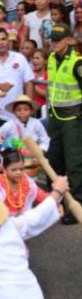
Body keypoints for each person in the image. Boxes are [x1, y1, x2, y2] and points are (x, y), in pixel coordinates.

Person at [44, 23, 82, 224]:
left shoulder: (77, 63)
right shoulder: (51, 58)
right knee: (53, 161)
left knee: (74, 163)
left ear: (69, 40)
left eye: (58, 40)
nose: (55, 43)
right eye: (52, 39)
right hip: (55, 118)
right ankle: (54, 202)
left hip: (72, 120)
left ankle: (76, 207)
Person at [0, 95, 50, 177]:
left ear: (31, 111)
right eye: (18, 110)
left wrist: (39, 156)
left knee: (32, 184)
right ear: (14, 111)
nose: (22, 112)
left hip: (31, 163)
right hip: (14, 163)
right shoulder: (8, 125)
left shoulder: (36, 124)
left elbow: (45, 140)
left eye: (26, 109)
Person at [0, 147, 50, 216]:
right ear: (4, 170)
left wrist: (54, 200)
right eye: (14, 170)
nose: (18, 172)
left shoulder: (27, 182)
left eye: (21, 169)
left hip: (21, 222)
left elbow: (42, 196)